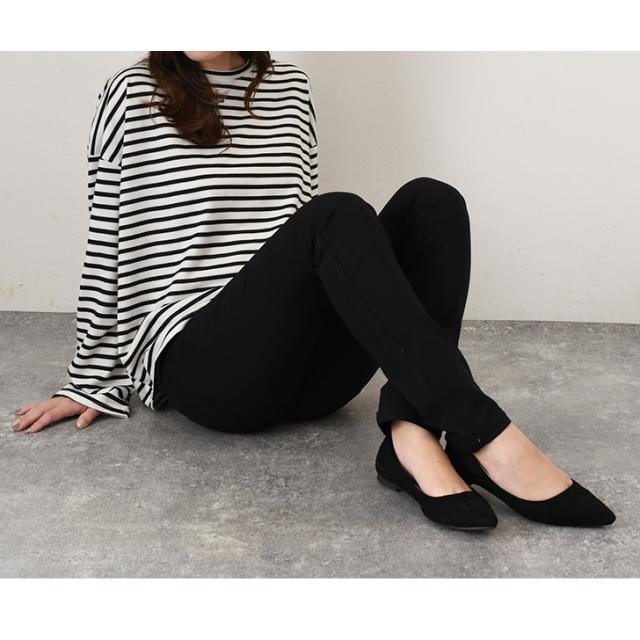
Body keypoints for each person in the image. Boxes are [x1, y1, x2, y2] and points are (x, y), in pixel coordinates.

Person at [12, 51, 615, 530]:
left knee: (433, 202)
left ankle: (410, 436)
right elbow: (107, 237)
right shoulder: (133, 92)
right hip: (208, 369)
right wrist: (89, 376)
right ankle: (486, 433)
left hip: (306, 379)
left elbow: (302, 245)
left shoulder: (289, 89)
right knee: (337, 213)